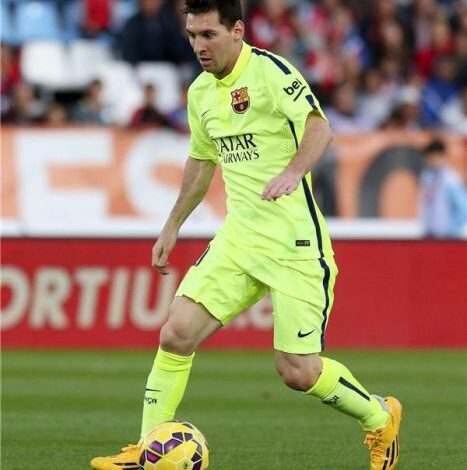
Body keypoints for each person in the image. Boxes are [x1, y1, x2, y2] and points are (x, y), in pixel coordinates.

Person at [90, 1, 402, 470]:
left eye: (208, 35)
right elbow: (201, 162)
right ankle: (149, 447)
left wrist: (293, 172)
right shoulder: (200, 92)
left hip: (294, 244)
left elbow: (320, 129)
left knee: (298, 372)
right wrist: (172, 225)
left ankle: (380, 417)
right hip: (239, 239)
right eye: (192, 35)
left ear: (237, 30)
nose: (199, 46)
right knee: (176, 334)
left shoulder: (271, 72)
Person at [419, 138, 466, 238]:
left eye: (434, 157)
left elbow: (463, 208)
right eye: (429, 157)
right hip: (430, 235)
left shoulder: (451, 179)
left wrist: (452, 230)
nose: (432, 160)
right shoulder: (427, 176)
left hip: (447, 237)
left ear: (443, 156)